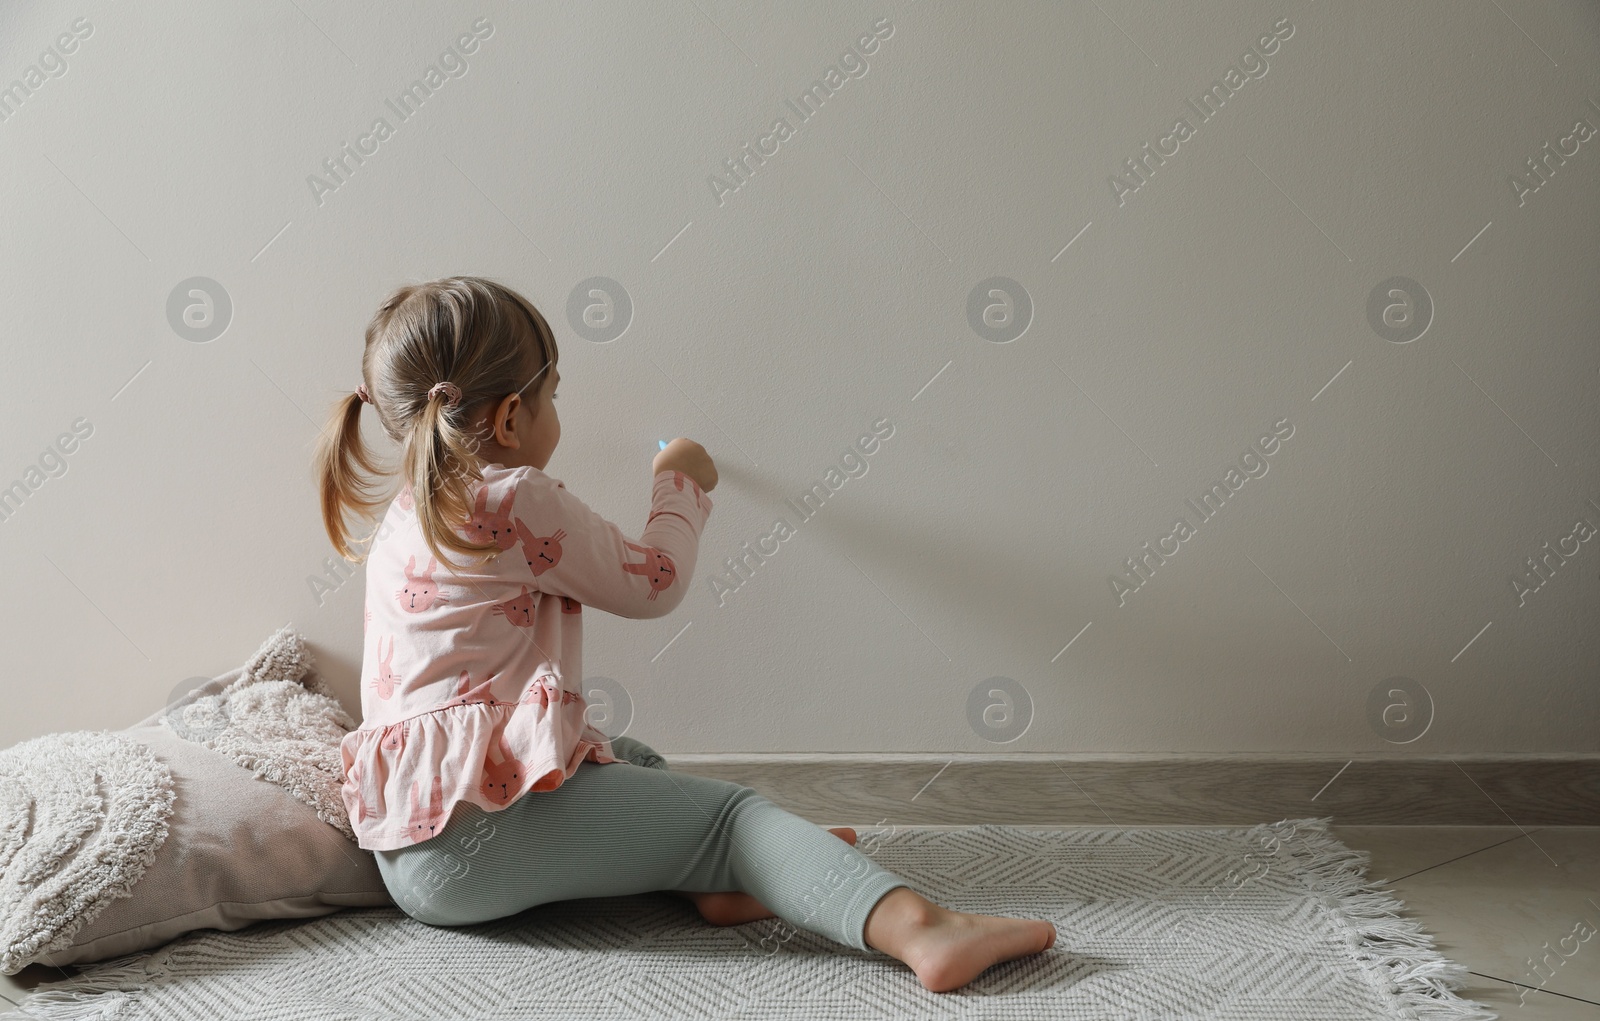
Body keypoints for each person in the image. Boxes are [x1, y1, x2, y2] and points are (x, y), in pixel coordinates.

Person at [313, 275, 1055, 992]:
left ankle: (724, 885)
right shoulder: (512, 498)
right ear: (510, 418)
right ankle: (922, 928)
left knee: (626, 757)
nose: (556, 411)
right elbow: (652, 581)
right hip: (481, 844)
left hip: (410, 854)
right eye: (553, 395)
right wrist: (681, 482)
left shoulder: (409, 514)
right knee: (734, 817)